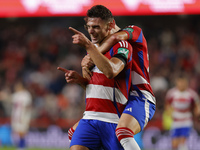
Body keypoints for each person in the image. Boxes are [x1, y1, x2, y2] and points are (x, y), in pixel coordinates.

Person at [64, 5, 156, 150]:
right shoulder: (95, 50)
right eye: (88, 27)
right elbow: (94, 86)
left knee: (123, 132)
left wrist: (90, 50)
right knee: (73, 132)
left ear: (110, 24)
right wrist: (81, 79)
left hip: (140, 94)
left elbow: (114, 38)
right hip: (119, 97)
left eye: (96, 27)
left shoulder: (128, 37)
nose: (91, 31)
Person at [165, 74, 200, 150]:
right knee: (174, 144)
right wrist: (169, 112)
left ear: (186, 83)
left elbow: (197, 107)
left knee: (183, 142)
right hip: (176, 121)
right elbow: (167, 105)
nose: (181, 84)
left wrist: (196, 112)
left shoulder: (192, 94)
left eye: (183, 82)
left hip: (186, 121)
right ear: (177, 82)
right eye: (179, 82)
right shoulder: (171, 93)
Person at [11, 81, 32, 150]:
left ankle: (22, 146)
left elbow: (28, 105)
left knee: (22, 131)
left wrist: (26, 115)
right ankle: (20, 145)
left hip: (23, 116)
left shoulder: (26, 94)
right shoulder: (16, 95)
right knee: (17, 131)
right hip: (16, 115)